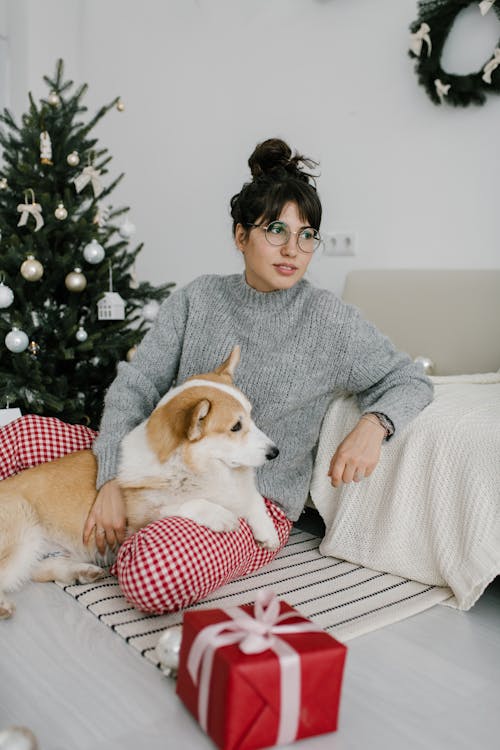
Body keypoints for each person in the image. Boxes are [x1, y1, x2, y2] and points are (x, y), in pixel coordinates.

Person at [0, 138, 433, 614]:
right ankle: (89, 530)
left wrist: (375, 426)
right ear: (240, 235)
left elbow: (409, 378)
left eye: (307, 235)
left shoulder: (330, 321)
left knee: (152, 575)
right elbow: (137, 386)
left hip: (245, 501)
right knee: (16, 435)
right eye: (276, 230)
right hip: (153, 468)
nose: (294, 248)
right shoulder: (197, 299)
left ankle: (109, 539)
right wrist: (110, 479)